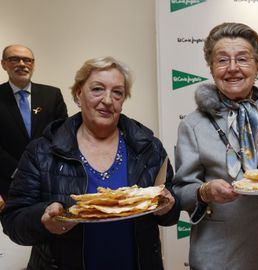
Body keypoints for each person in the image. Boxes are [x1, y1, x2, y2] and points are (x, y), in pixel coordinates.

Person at [1, 56, 181, 270]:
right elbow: (14, 222)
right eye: (97, 89)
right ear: (78, 94)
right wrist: (44, 219)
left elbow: (171, 214)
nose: (107, 100)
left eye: (117, 92)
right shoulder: (42, 151)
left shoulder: (148, 147)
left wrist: (168, 206)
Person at [172, 22, 258, 270]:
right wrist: (204, 192)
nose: (232, 68)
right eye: (222, 60)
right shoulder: (193, 125)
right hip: (216, 252)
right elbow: (181, 190)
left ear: (257, 66)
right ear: (212, 69)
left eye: (242, 59)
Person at [0, 44, 68, 208]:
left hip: (49, 178)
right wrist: (18, 170)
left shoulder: (52, 95)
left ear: (33, 64)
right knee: (18, 229)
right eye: (14, 59)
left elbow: (63, 134)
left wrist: (45, 166)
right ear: (3, 64)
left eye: (27, 60)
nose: (22, 64)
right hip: (9, 181)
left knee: (51, 226)